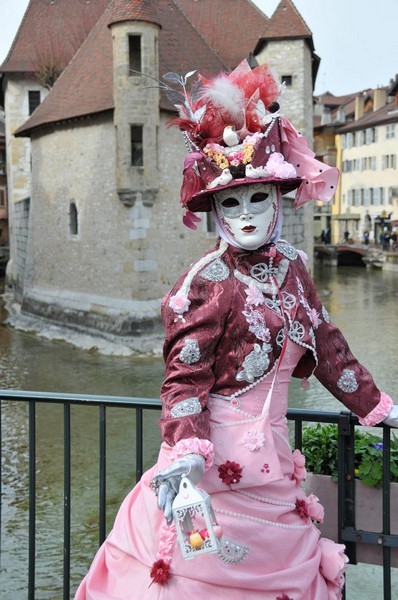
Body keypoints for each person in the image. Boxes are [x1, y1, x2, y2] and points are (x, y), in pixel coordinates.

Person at [75, 61, 398, 600]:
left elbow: (328, 347)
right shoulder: (204, 283)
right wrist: (185, 458)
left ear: (277, 199)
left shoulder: (295, 266)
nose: (246, 214)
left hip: (272, 472)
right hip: (209, 468)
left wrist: (378, 408)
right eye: (231, 202)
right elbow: (184, 381)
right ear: (214, 211)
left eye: (257, 199)